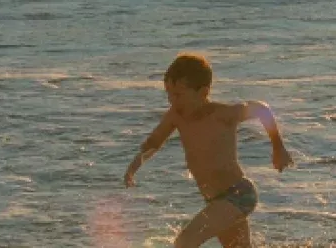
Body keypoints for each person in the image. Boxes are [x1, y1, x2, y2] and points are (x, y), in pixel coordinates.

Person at [124, 53, 293, 248]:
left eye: (178, 95)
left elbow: (262, 109)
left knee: (184, 242)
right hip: (215, 200)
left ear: (203, 92)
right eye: (168, 94)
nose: (172, 101)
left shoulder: (222, 114)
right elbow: (154, 142)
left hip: (237, 195)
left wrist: (278, 148)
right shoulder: (175, 116)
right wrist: (134, 166)